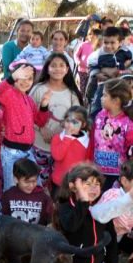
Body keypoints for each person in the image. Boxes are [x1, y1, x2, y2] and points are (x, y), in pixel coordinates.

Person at [45, 164, 120, 263]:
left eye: (97, 184)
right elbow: (72, 225)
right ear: (73, 187)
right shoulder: (64, 207)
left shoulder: (102, 208)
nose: (93, 189)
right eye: (88, 184)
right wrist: (83, 202)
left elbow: (111, 239)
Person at [0, 62, 51, 191]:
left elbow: (40, 121)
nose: (26, 82)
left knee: (36, 185)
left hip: (28, 151)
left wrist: (44, 105)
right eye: (22, 77)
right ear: (15, 77)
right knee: (11, 187)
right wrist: (11, 77)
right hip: (11, 152)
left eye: (30, 78)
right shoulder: (9, 94)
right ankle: (8, 211)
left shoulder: (29, 100)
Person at [29, 53, 84, 187]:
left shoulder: (71, 93)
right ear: (47, 68)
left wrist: (61, 134)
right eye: (53, 65)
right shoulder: (38, 89)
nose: (57, 69)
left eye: (61, 66)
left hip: (62, 148)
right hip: (39, 145)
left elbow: (77, 119)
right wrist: (41, 129)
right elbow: (27, 114)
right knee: (38, 181)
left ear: (67, 69)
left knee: (58, 182)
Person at [92, 78, 133, 190]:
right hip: (97, 171)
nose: (101, 98)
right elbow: (93, 140)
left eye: (105, 95)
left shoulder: (129, 124)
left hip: (117, 176)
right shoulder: (100, 116)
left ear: (116, 100)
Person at [50, 106, 92, 194]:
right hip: (59, 183)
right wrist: (67, 138)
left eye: (75, 122)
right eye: (68, 121)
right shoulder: (57, 138)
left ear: (83, 125)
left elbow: (88, 163)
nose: (70, 125)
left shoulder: (87, 142)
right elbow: (58, 156)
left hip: (77, 185)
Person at [1, 159, 53, 225]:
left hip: (37, 234)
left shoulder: (44, 198)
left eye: (34, 181)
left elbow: (50, 220)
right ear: (16, 179)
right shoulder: (8, 196)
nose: (31, 185)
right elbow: (3, 220)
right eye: (27, 182)